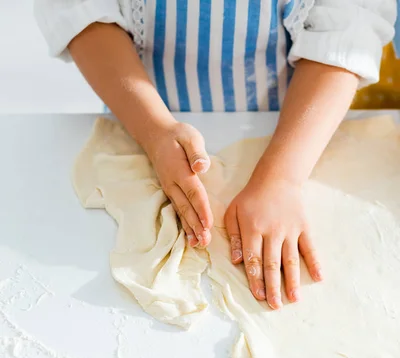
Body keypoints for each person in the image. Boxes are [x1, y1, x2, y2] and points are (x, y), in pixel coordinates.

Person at [34, 1, 396, 309]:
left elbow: (349, 26)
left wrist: (282, 177)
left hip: (294, 125)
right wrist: (155, 130)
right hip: (138, 115)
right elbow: (81, 9)